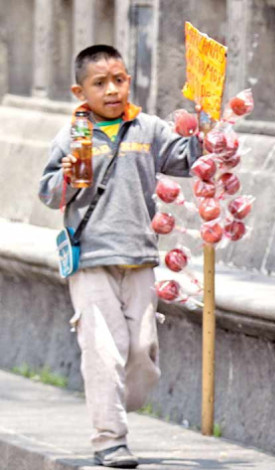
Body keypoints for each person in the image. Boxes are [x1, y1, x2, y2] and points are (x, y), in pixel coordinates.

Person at [38, 44, 201, 468]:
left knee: (143, 353)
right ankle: (109, 438)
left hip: (140, 255)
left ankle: (112, 401)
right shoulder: (73, 135)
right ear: (80, 91)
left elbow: (185, 160)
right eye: (100, 83)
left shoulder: (147, 128)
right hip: (91, 257)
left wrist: (207, 132)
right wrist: (72, 173)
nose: (112, 89)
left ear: (129, 80)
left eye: (119, 79)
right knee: (103, 351)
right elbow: (48, 191)